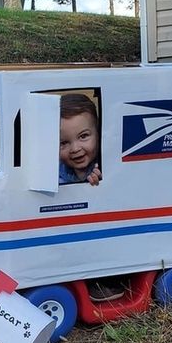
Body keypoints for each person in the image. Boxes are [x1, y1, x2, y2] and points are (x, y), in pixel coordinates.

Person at [59, 93, 126, 302]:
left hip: (100, 236)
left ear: (100, 133)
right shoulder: (56, 168)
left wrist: (99, 180)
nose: (75, 148)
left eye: (83, 136)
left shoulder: (105, 166)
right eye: (63, 143)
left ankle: (107, 281)